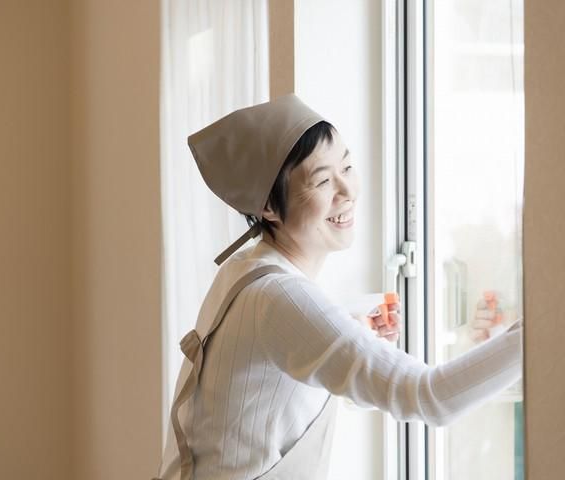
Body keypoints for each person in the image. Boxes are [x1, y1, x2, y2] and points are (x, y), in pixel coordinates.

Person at [153, 94, 522, 480]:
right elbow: (429, 397)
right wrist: (539, 331)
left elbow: (264, 404)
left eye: (347, 165)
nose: (347, 191)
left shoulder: (244, 269)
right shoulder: (279, 297)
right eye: (323, 180)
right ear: (269, 208)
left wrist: (351, 331)